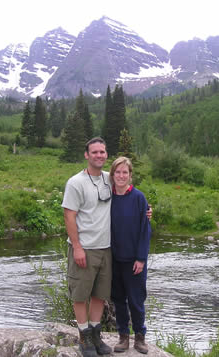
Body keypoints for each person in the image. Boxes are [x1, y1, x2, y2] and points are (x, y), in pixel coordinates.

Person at [61, 137, 113, 357]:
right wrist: (78, 247)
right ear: (86, 155)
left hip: (107, 248)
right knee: (80, 295)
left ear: (106, 155)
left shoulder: (111, 179)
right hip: (84, 248)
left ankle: (96, 335)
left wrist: (145, 210)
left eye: (102, 152)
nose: (99, 155)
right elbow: (69, 215)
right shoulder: (75, 182)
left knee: (100, 295)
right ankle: (84, 338)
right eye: (94, 152)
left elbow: (129, 195)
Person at [109, 156, 152, 354]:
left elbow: (145, 230)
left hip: (134, 261)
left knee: (136, 300)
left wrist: (141, 258)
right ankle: (123, 337)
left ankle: (140, 337)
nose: (121, 176)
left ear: (130, 175)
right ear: (112, 174)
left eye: (125, 172)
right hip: (113, 259)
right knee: (118, 300)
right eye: (117, 172)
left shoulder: (139, 198)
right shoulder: (107, 197)